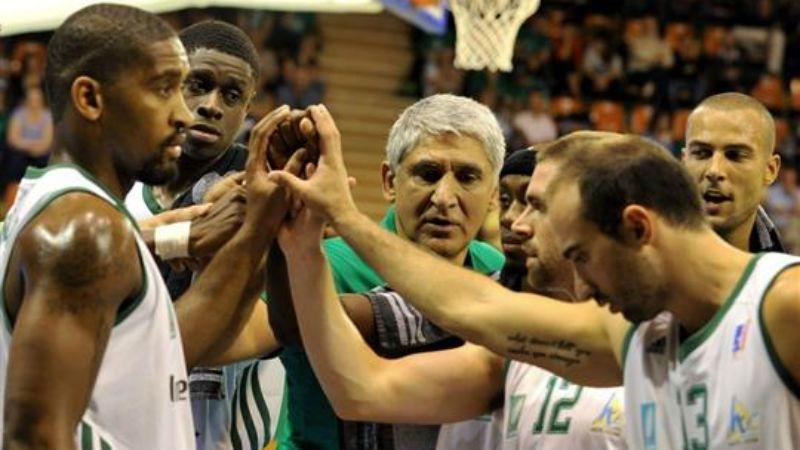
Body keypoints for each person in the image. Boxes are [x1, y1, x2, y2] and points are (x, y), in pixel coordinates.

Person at [269, 121, 800, 449]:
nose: (584, 287)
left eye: (581, 258)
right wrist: (312, 239)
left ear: (638, 229)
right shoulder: (632, 336)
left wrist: (345, 217)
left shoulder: (784, 305)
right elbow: (468, 308)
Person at [0, 5, 302, 448]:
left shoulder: (56, 202)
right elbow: (35, 438)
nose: (184, 113)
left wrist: (230, 231)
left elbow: (158, 355)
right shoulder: (85, 228)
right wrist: (254, 230)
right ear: (90, 99)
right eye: (165, 90)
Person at [276, 145, 627, 450]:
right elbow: (362, 390)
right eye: (509, 201)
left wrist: (344, 216)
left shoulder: (637, 336)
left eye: (536, 205)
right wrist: (301, 248)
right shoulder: (502, 346)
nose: (514, 221)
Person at [211, 94, 506, 450]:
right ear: (389, 181)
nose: (444, 197)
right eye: (427, 174)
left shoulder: (496, 269)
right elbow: (223, 343)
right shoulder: (324, 261)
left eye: (467, 177)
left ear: (494, 195)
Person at [122, 20, 277, 450]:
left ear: (248, 109)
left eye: (231, 96)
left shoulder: (262, 187)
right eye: (199, 85)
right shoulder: (122, 184)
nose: (211, 106)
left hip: (219, 433)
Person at [683, 92, 785, 253]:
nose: (714, 170)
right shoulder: (644, 263)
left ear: (770, 170)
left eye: (735, 155)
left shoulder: (785, 267)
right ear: (683, 161)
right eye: (701, 153)